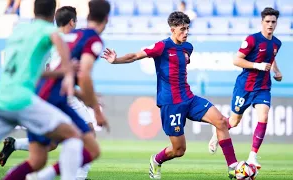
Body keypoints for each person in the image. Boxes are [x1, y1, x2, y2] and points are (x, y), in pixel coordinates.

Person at [102, 11, 244, 179]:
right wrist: (116, 60)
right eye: (182, 29)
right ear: (172, 29)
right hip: (171, 104)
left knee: (220, 121)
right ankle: (155, 161)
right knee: (179, 150)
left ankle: (233, 168)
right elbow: (135, 55)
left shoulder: (188, 47)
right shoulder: (161, 46)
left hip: (189, 98)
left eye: (187, 29)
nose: (186, 33)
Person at [0, 0, 85, 180]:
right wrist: (68, 70)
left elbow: (31, 70)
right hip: (22, 99)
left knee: (36, 158)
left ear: (34, 10)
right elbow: (64, 62)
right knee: (75, 136)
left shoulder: (18, 31)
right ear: (52, 13)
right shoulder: (50, 32)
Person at [0, 4, 109, 180]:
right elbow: (77, 73)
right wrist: (94, 107)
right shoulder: (70, 38)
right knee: (87, 138)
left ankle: (17, 147)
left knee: (45, 151)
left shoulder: (50, 38)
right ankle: (78, 176)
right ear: (72, 21)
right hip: (57, 94)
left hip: (43, 94)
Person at [208, 7, 282, 170]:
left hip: (262, 87)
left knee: (263, 116)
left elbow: (272, 57)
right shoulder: (252, 40)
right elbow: (236, 60)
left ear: (277, 23)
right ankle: (217, 131)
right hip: (245, 87)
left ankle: (252, 157)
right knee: (234, 122)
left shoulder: (277, 43)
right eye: (267, 21)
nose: (270, 25)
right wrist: (257, 65)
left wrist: (276, 71)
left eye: (273, 22)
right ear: (262, 22)